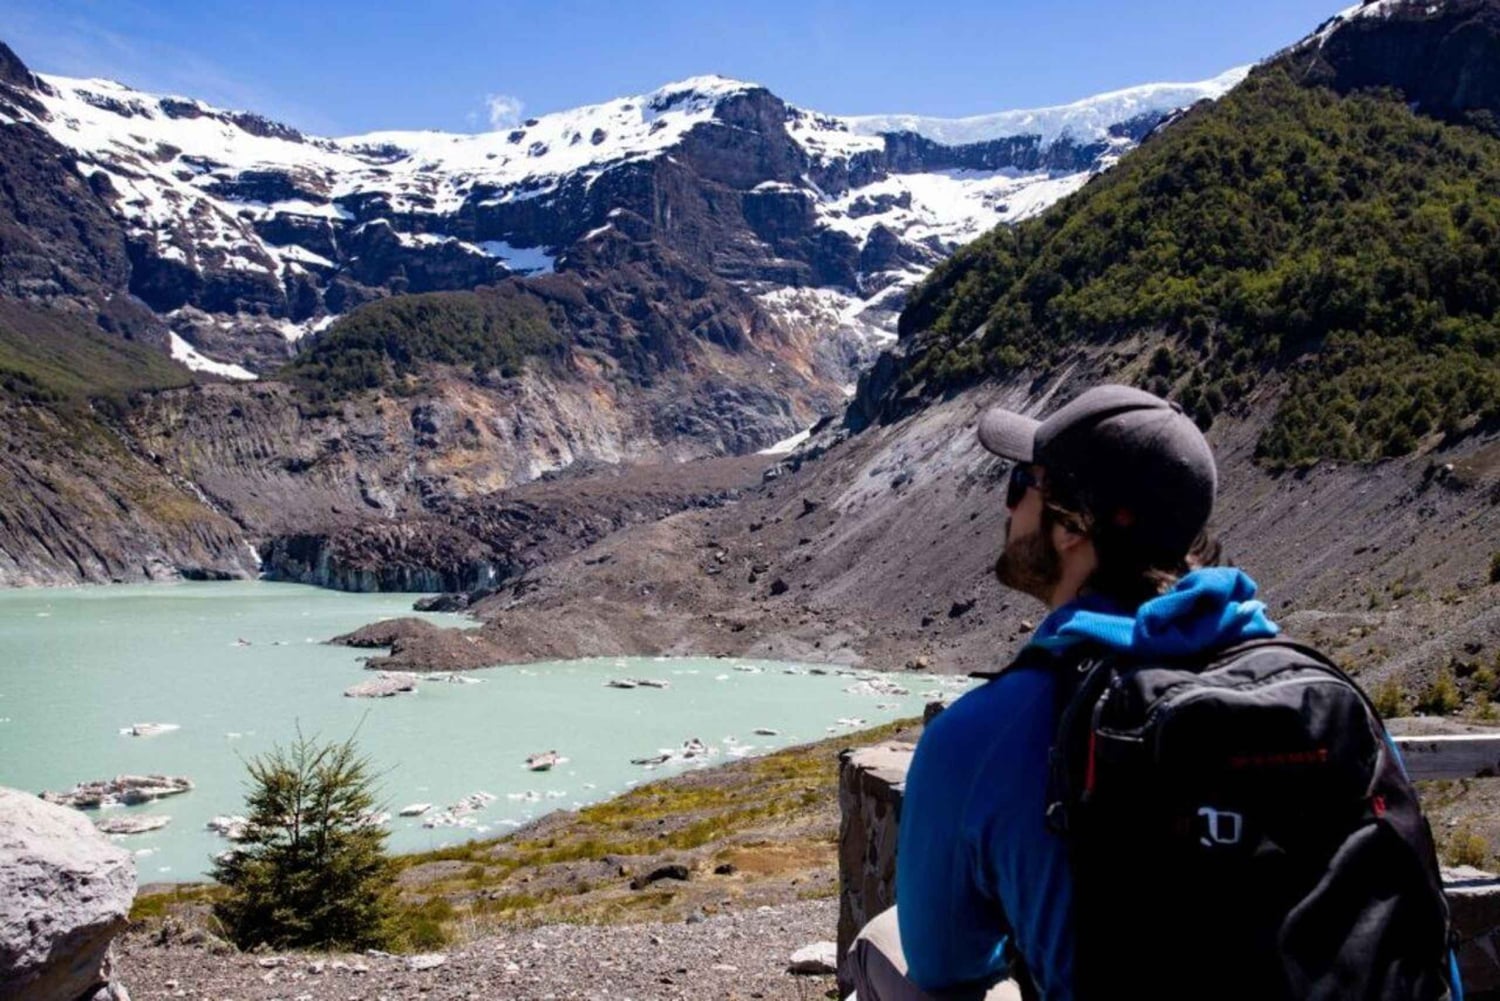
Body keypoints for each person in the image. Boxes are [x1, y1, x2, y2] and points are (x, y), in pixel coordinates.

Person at [846, 384, 1280, 1000]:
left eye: (1020, 484)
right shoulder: (1315, 695)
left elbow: (944, 964)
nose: (1008, 508)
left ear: (1073, 525)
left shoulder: (982, 733)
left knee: (881, 945)